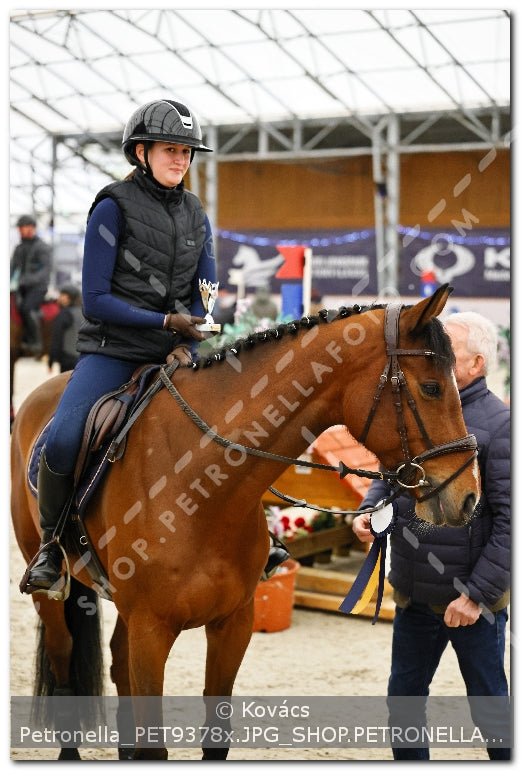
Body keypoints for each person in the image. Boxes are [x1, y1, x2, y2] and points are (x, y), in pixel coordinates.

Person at [21, 99, 289, 595]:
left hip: (178, 351)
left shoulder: (196, 212)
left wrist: (190, 336)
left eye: (187, 152)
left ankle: (259, 535)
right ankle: (52, 544)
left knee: (243, 422)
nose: (181, 160)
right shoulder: (111, 206)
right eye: (171, 150)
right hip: (113, 350)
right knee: (63, 438)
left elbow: (205, 292)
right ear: (140, 152)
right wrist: (167, 321)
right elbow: (96, 300)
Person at [352, 311, 510, 760]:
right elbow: (391, 470)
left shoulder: (502, 426)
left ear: (477, 363)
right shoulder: (419, 407)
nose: (433, 358)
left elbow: (511, 523)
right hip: (414, 593)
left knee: (490, 710)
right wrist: (369, 508)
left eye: (448, 352)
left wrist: (476, 596)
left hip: (471, 603)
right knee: (403, 704)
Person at [10, 214, 52, 355]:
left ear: (32, 228)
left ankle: (36, 342)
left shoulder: (42, 247)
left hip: (38, 287)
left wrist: (26, 280)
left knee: (27, 308)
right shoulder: (19, 248)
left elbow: (45, 271)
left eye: (24, 227)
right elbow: (12, 268)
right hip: (22, 288)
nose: (21, 230)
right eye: (20, 228)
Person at [47, 283, 83, 373]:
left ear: (67, 297)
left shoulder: (64, 314)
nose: (59, 298)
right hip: (83, 358)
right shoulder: (83, 312)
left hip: (68, 359)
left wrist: (51, 361)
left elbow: (56, 338)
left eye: (61, 295)